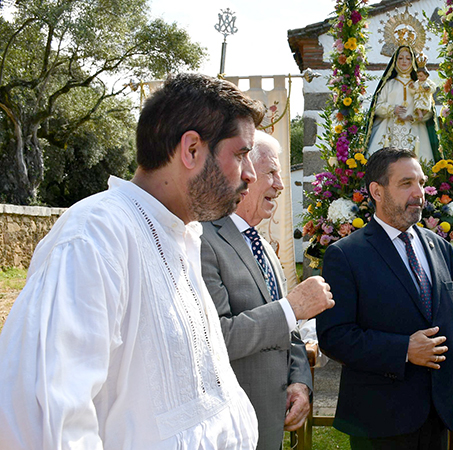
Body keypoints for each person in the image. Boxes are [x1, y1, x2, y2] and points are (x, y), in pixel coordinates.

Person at [0, 73, 266, 449]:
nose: (250, 175)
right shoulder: (97, 235)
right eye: (240, 154)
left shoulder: (181, 237)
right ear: (191, 149)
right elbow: (49, 416)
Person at [317, 147, 453, 450]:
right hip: (379, 417)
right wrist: (404, 349)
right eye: (406, 184)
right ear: (377, 190)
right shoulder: (346, 255)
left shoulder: (440, 247)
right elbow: (334, 335)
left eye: (421, 182)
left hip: (436, 413)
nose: (419, 193)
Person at [200, 131, 335, 449]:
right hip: (230, 428)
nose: (281, 184)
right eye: (272, 173)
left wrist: (300, 382)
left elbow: (290, 331)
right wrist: (293, 306)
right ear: (242, 173)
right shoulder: (202, 240)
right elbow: (216, 339)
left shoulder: (263, 246)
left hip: (271, 423)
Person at [365, 45, 439, 162]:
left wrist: (415, 116)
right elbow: (376, 108)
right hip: (389, 131)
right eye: (401, 58)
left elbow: (428, 111)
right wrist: (392, 110)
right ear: (395, 61)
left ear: (413, 61)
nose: (404, 61)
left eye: (408, 58)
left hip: (415, 131)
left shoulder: (420, 86)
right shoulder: (389, 85)